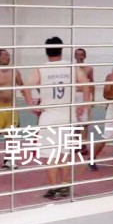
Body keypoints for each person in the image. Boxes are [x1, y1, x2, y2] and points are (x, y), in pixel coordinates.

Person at [23, 37, 77, 199]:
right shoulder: (70, 67)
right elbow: (86, 82)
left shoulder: (41, 69)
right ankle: (65, 185)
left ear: (46, 51)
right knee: (64, 153)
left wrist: (31, 105)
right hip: (68, 116)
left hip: (49, 117)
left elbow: (26, 87)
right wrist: (85, 104)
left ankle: (53, 187)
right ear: (61, 49)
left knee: (51, 154)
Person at [0, 49, 24, 168]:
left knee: (11, 135)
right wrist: (1, 95)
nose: (7, 57)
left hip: (11, 108)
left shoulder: (15, 72)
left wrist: (27, 95)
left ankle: (8, 160)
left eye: (8, 55)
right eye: (4, 55)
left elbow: (22, 85)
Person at [73, 48, 94, 161]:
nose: (79, 57)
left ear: (84, 56)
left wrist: (92, 99)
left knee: (84, 122)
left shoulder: (89, 69)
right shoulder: (71, 69)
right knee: (74, 122)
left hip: (84, 95)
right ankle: (75, 144)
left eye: (81, 55)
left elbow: (92, 83)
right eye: (77, 55)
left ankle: (83, 145)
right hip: (73, 96)